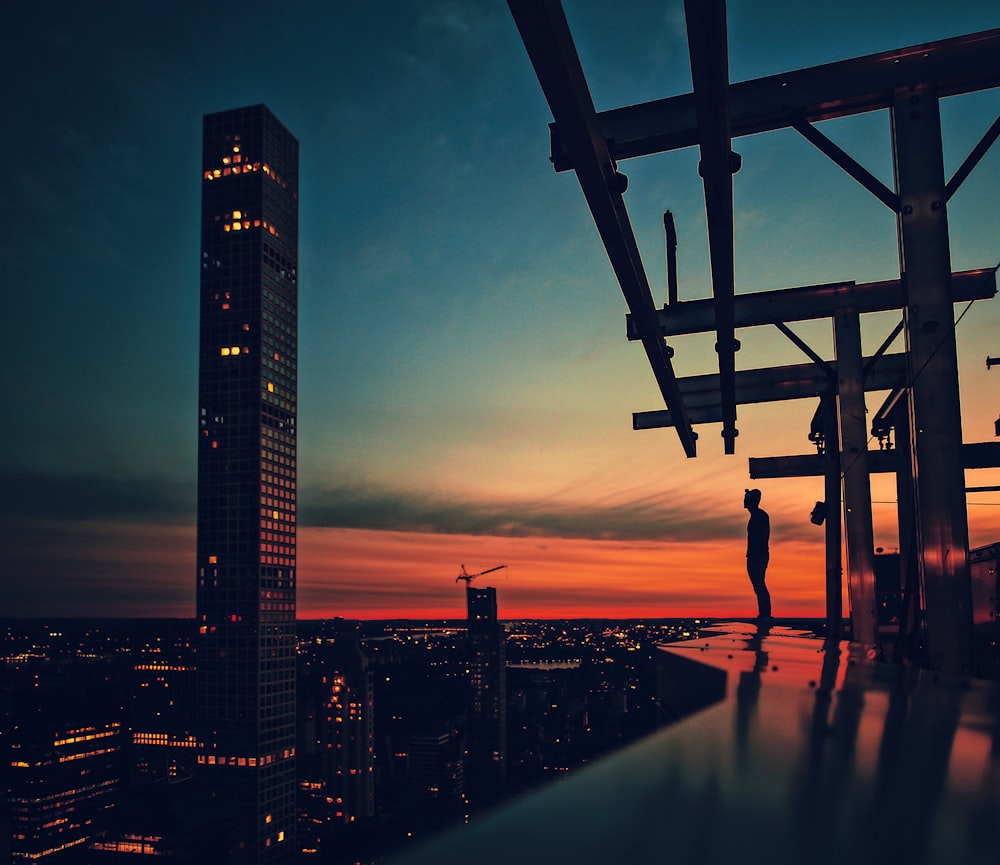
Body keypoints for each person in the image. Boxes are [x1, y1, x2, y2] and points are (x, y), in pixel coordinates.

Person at [744, 488, 771, 620]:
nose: (744, 500)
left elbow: (761, 538)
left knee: (759, 584)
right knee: (758, 585)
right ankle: (764, 613)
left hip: (758, 556)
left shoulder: (760, 516)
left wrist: (756, 555)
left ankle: (765, 614)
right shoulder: (757, 516)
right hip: (755, 555)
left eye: (747, 498)